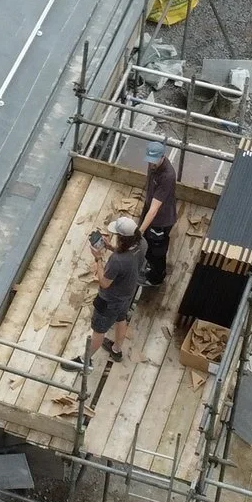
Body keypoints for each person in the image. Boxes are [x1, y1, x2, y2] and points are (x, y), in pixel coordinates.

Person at [86, 215, 144, 362]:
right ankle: (116, 350)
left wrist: (98, 258)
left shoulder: (117, 261)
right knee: (121, 318)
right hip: (126, 295)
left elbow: (104, 283)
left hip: (109, 301)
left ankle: (85, 360)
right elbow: (127, 252)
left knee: (99, 331)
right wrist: (111, 247)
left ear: (122, 238)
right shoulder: (142, 244)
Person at [138, 141, 179, 287]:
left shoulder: (168, 175)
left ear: (163, 157)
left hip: (161, 220)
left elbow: (155, 209)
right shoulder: (152, 165)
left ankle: (156, 277)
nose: (151, 165)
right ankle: (148, 263)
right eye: (150, 161)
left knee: (157, 250)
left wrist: (140, 231)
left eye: (155, 162)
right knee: (147, 244)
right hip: (149, 211)